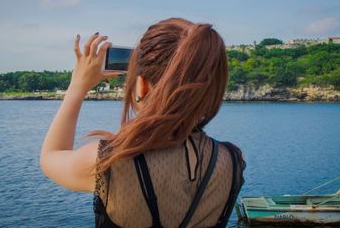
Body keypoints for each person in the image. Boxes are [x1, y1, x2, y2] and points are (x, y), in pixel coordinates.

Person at [40, 17, 245, 228]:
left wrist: (77, 86)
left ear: (141, 86)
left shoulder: (110, 162)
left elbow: (50, 157)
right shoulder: (231, 161)